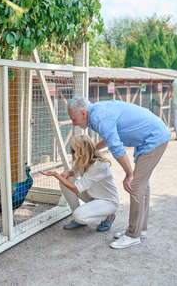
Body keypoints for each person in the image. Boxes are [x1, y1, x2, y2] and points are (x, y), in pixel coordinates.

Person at [67, 98, 170, 249]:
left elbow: (116, 146)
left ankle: (133, 235)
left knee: (135, 185)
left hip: (154, 139)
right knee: (142, 186)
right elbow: (111, 137)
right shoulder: (98, 111)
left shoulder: (98, 117)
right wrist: (95, 147)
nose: (74, 123)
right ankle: (140, 230)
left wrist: (129, 174)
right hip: (151, 137)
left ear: (83, 113)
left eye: (74, 119)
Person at [39, 135, 119, 232]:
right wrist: (68, 173)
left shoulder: (99, 165)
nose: (70, 153)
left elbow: (76, 189)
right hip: (93, 196)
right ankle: (79, 218)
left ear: (81, 152)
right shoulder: (82, 160)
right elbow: (74, 172)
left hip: (108, 201)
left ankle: (107, 216)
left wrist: (56, 175)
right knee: (67, 180)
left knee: (79, 216)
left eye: (73, 151)